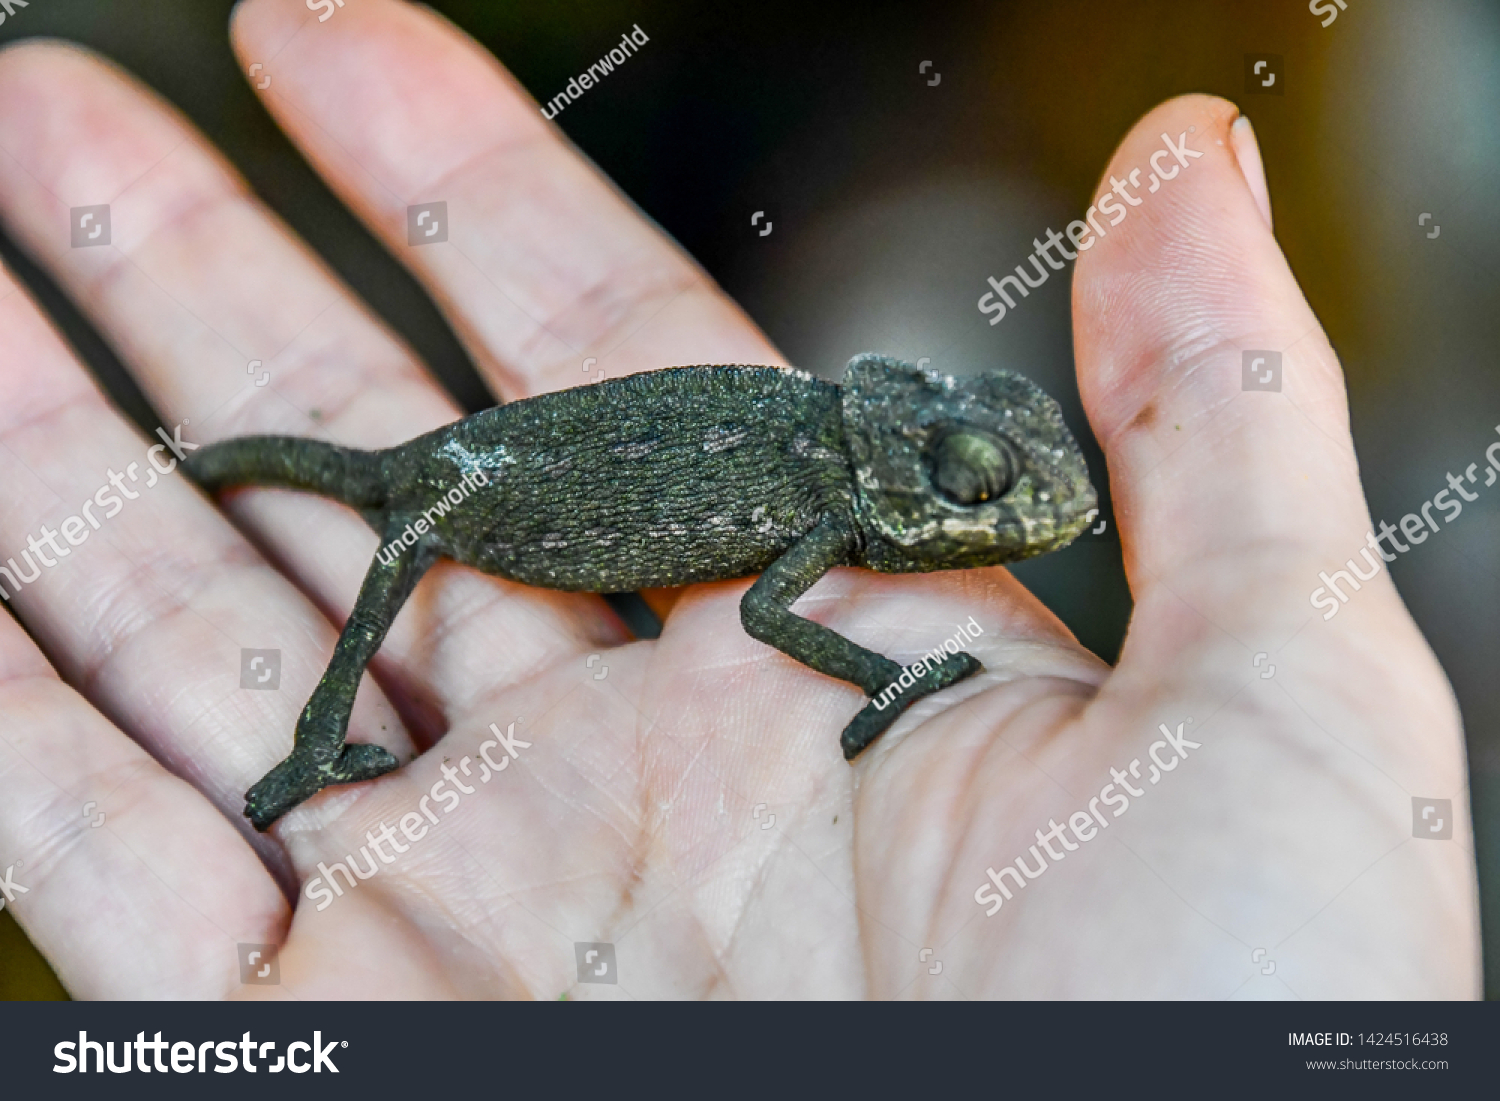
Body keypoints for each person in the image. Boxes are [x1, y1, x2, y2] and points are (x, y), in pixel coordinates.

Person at [0, 0, 1477, 998]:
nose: (1004, 511)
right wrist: (885, 677)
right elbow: (773, 612)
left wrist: (894, 687)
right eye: (974, 487)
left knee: (393, 492)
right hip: (482, 488)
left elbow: (768, 594)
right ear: (912, 475)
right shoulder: (823, 485)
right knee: (401, 512)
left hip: (518, 467)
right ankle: (318, 738)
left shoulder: (829, 456)